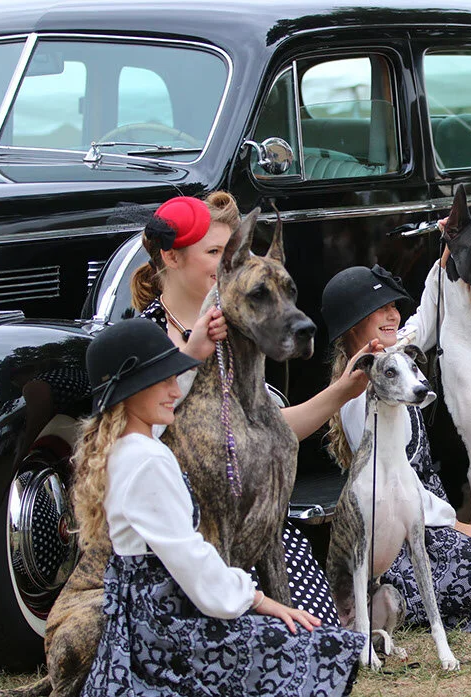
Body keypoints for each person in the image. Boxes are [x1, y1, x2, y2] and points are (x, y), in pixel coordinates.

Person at [75, 318, 363, 697]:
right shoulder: (148, 460)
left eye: (172, 376)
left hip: (138, 623)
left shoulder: (120, 451)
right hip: (169, 627)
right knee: (319, 647)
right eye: (159, 379)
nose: (172, 388)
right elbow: (191, 561)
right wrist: (259, 600)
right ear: (128, 393)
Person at [129, 192, 374, 624]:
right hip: (190, 542)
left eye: (236, 251)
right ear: (171, 256)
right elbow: (132, 439)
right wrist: (194, 351)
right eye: (218, 253)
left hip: (257, 531)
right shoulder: (143, 335)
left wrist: (341, 390)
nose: (233, 264)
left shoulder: (241, 332)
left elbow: (266, 433)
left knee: (323, 629)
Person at [321, 262, 471, 631]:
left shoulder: (398, 363)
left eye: (394, 306)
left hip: (428, 508)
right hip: (401, 521)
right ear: (351, 325)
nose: (392, 314)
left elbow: (425, 319)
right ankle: (395, 600)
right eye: (378, 310)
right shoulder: (359, 395)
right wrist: (456, 522)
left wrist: (444, 261)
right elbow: (396, 480)